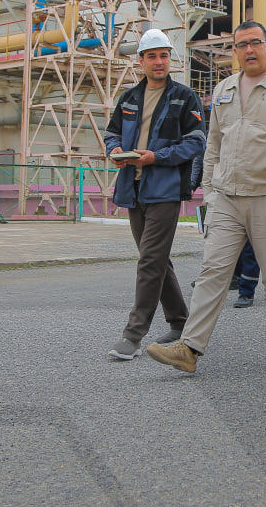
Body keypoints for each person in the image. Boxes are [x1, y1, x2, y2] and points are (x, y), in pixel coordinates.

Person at [147, 21, 266, 374]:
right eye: (241, 45)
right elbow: (213, 142)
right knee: (212, 271)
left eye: (255, 43)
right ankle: (190, 347)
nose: (249, 50)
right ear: (234, 51)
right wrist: (210, 191)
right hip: (227, 197)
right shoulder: (224, 88)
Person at [104, 28, 206, 360]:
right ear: (141, 61)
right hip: (133, 188)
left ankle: (132, 335)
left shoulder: (184, 97)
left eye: (164, 55)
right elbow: (111, 133)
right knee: (157, 260)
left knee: (149, 260)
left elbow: (196, 142)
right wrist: (114, 149)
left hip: (165, 189)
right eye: (152, 56)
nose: (159, 61)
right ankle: (179, 321)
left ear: (170, 59)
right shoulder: (129, 98)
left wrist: (156, 157)